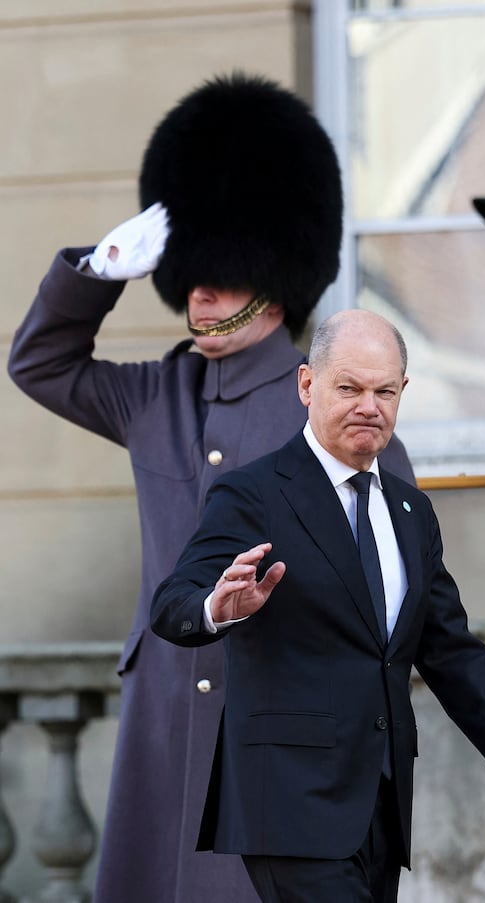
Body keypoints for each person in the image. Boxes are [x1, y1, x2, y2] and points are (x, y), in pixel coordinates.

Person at [7, 74, 414, 903]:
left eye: (218, 272)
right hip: (164, 727)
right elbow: (38, 363)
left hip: (278, 745)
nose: (197, 291)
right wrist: (100, 269)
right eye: (191, 268)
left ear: (272, 274)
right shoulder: (156, 396)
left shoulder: (330, 404)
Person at [151, 309, 485, 903]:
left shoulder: (410, 510)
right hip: (288, 801)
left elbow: (451, 651)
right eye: (348, 388)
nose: (368, 406)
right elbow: (171, 604)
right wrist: (219, 606)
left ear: (404, 393)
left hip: (380, 800)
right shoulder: (252, 493)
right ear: (307, 386)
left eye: (384, 391)